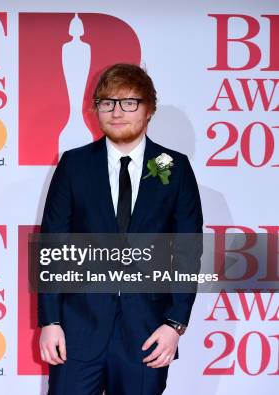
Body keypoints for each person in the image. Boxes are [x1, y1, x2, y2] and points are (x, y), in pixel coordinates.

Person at [38, 63, 203, 394]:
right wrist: (50, 321)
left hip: (146, 332)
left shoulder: (174, 167)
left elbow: (188, 252)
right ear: (97, 109)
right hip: (76, 330)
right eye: (107, 102)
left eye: (130, 102)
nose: (117, 112)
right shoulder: (74, 164)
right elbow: (52, 246)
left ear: (148, 110)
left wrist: (175, 324)